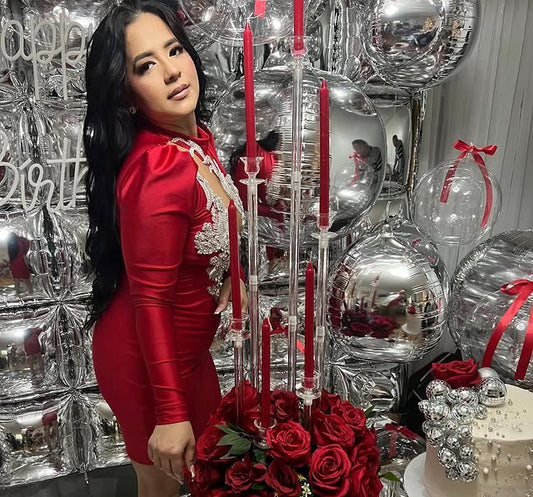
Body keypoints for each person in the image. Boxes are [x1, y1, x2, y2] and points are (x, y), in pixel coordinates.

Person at [83, 2, 247, 496]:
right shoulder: (158, 167)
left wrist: (235, 275)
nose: (173, 71)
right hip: (145, 361)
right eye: (146, 65)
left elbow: (206, 233)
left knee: (211, 475)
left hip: (189, 354)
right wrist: (171, 414)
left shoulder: (198, 143)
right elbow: (151, 299)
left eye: (174, 51)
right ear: (127, 95)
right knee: (161, 488)